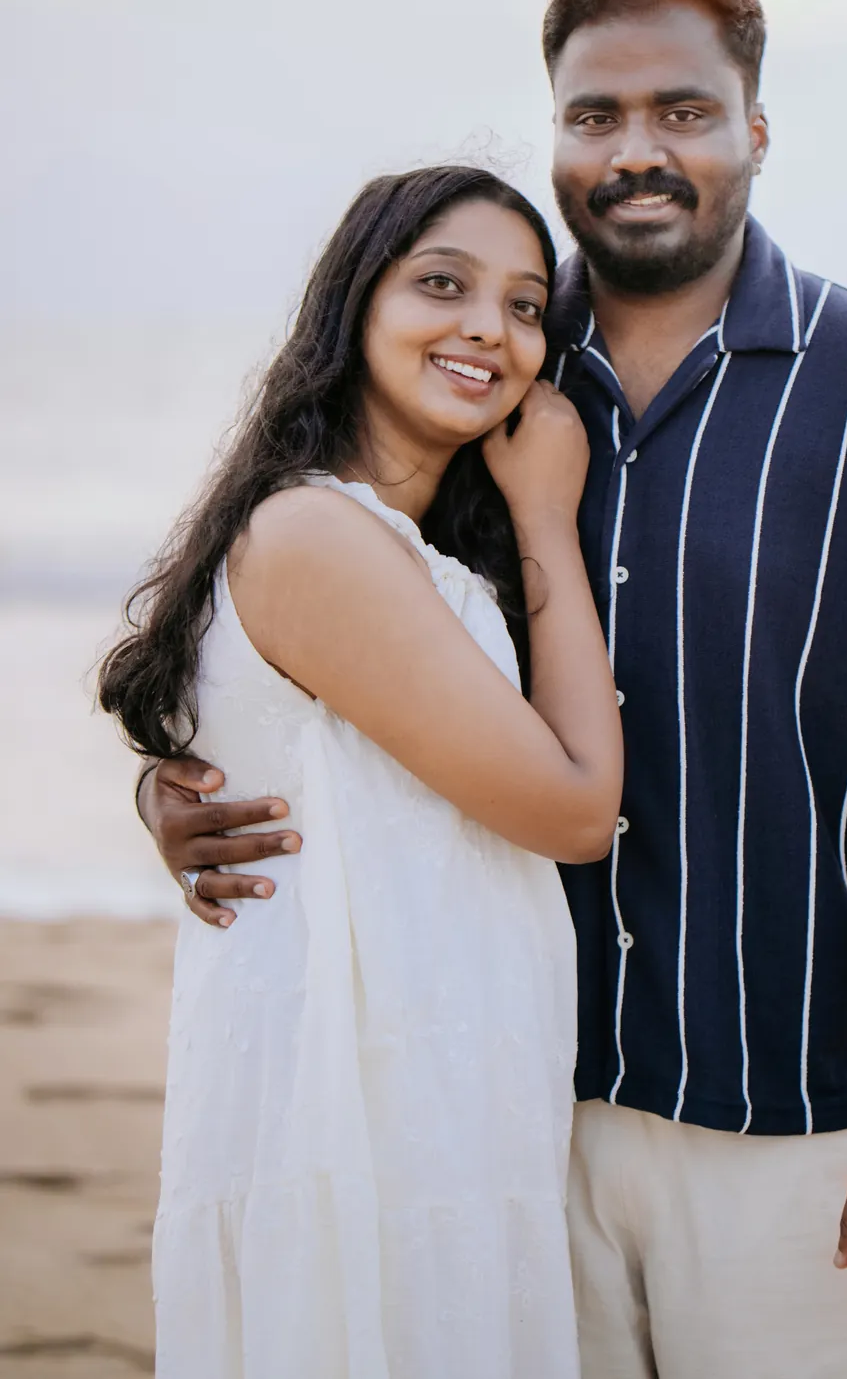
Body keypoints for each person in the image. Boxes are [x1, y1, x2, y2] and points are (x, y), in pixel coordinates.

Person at [139, 0, 847, 1379]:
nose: (637, 151)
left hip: (786, 1127)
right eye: (595, 115)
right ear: (557, 131)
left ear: (755, 129)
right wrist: (181, 792)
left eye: (684, 112)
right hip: (512, 1114)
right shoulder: (490, 371)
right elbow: (317, 639)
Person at [99, 165, 624, 1378]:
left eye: (528, 304)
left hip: (421, 1094)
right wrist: (550, 519)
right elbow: (578, 809)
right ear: (356, 305)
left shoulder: (392, 545)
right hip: (370, 1120)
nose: (490, 328)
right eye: (443, 284)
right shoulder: (321, 535)